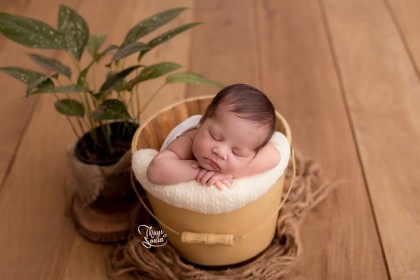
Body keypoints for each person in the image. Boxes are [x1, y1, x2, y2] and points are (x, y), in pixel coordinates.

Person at [147, 84, 280, 190]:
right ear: (202, 122)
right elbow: (155, 171)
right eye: (215, 137)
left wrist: (231, 173)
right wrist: (199, 171)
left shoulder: (248, 142)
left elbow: (274, 156)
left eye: (236, 152)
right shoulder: (189, 139)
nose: (221, 153)